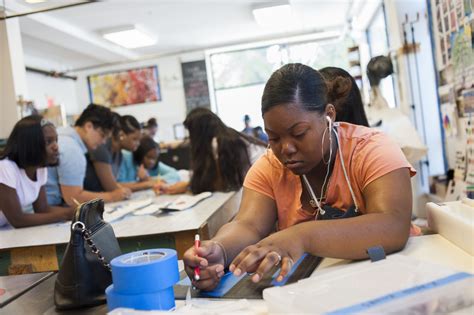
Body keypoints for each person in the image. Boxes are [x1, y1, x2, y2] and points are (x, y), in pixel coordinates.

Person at [183, 63, 416, 291]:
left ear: (329, 115)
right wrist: (219, 250)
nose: (286, 148)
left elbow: (393, 226)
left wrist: (300, 236)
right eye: (273, 138)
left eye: (299, 133)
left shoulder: (372, 149)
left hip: (389, 281)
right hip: (319, 291)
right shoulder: (269, 168)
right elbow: (248, 224)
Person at [159, 107, 266, 195]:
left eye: (191, 132)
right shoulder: (227, 136)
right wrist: (188, 185)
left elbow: (224, 183)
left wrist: (188, 186)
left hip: (263, 186)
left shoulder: (220, 143)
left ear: (199, 131)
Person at [46, 104, 130, 207]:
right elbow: (74, 198)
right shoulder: (72, 149)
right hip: (48, 208)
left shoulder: (63, 133)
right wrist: (112, 196)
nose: (103, 142)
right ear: (88, 126)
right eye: (102, 136)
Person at [0, 116, 74, 228]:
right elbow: (17, 219)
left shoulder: (40, 168)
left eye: (56, 140)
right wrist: (66, 214)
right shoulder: (6, 167)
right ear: (30, 144)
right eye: (48, 141)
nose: (55, 147)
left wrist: (77, 211)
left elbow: (42, 209)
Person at [84, 114, 141, 193]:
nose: (138, 143)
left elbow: (115, 184)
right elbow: (111, 187)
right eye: (135, 139)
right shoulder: (101, 147)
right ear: (121, 135)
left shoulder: (119, 154)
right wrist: (147, 184)